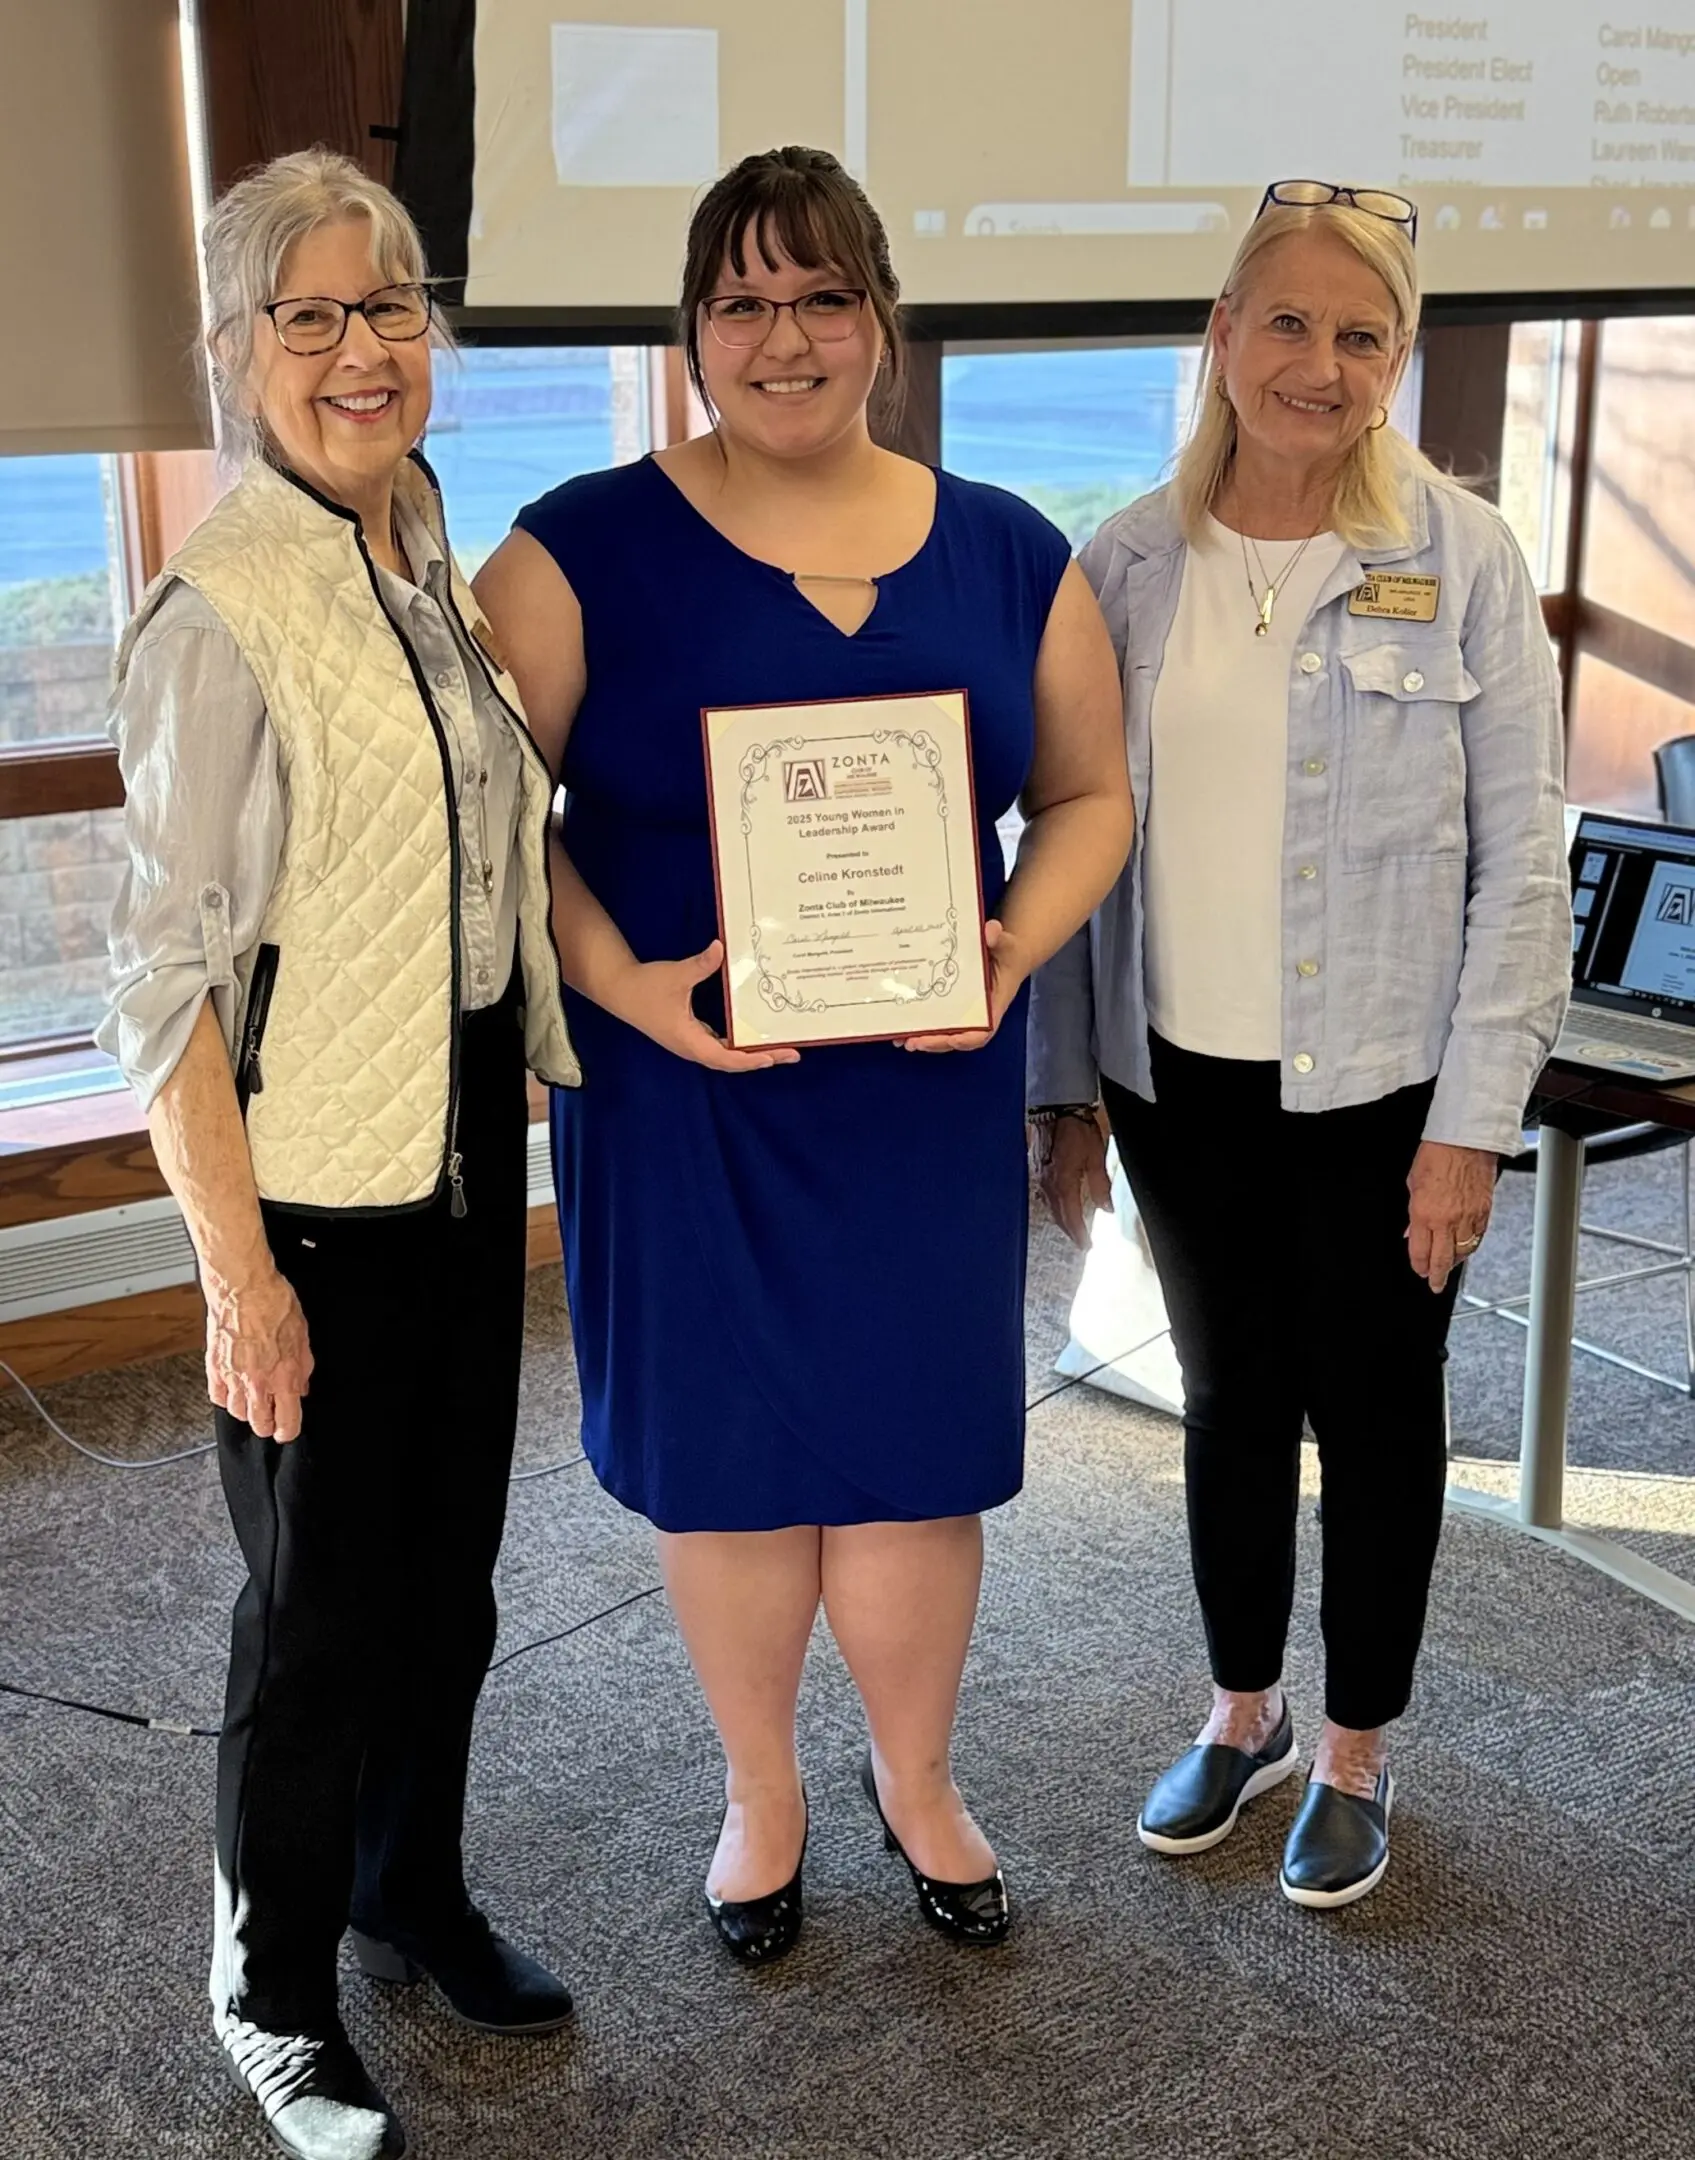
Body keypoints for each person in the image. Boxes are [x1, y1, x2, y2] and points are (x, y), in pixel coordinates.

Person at [475, 145, 1131, 1963]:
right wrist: (616, 982)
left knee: (915, 1452)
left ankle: (916, 1780)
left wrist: (1007, 954)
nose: (784, 337)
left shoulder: (1006, 548)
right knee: (735, 1458)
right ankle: (762, 1790)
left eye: (821, 296)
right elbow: (479, 817)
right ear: (691, 331)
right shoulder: (572, 545)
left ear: (882, 325)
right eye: (741, 302)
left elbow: (1087, 798)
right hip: (684, 1085)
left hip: (923, 1083)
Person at [100, 151, 579, 2160]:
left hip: (460, 1133)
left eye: (389, 308)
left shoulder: (415, 540)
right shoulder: (223, 610)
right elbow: (166, 988)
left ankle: (407, 1882)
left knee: (445, 1580)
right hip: (306, 1182)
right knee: (309, 1617)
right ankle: (270, 1988)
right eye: (309, 315)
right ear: (236, 354)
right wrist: (235, 1274)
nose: (360, 348)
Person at [1029, 180, 1569, 1910]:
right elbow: (1065, 827)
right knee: (1229, 1407)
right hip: (1172, 1075)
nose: (1316, 365)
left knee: (1382, 1415)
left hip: (1387, 1093)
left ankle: (1355, 1748)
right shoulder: (1122, 559)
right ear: (1219, 335)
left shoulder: (1462, 556)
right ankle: (1243, 1711)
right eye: (1286, 323)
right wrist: (1063, 1091)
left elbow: (1524, 859)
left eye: (1359, 335)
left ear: (1396, 359)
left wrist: (1472, 1122)